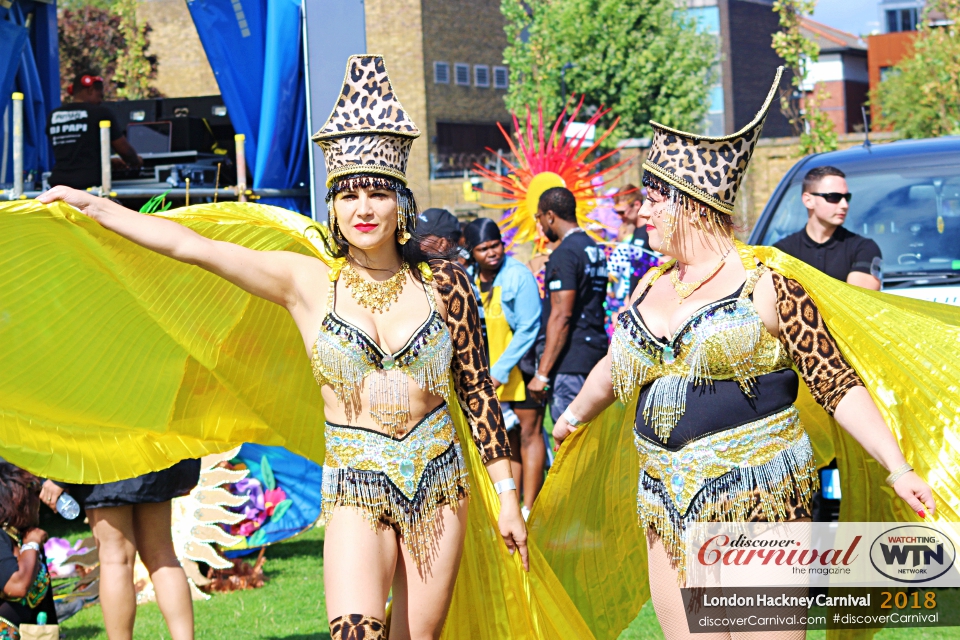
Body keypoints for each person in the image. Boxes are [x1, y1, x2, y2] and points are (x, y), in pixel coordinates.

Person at [36, 55, 526, 640]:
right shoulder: (308, 282)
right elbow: (194, 248)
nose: (363, 209)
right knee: (354, 632)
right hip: (354, 487)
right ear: (334, 207)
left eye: (377, 194)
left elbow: (476, 392)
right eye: (349, 196)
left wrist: (505, 495)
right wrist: (99, 208)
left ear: (402, 203)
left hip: (440, 486)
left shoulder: (443, 283)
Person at [549, 68, 934, 639]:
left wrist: (897, 467)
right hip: (666, 502)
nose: (643, 213)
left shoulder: (766, 283)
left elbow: (834, 379)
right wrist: (573, 417)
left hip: (761, 500)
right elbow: (619, 363)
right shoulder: (651, 283)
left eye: (654, 201)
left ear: (694, 205)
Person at [39, 464, 199, 640]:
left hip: (105, 463)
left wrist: (59, 478)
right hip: (148, 456)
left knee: (115, 560)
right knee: (162, 556)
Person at [463, 218, 544, 516]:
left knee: (529, 434)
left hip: (518, 368)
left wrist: (500, 371)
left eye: (495, 245)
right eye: (483, 249)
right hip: (487, 371)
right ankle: (512, 504)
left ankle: (531, 508)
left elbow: (528, 327)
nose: (492, 253)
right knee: (504, 440)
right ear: (472, 251)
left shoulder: (518, 276)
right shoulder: (468, 276)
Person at [525, 187, 609, 423]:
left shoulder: (564, 253)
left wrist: (542, 374)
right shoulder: (593, 248)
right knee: (594, 446)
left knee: (570, 444)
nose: (540, 224)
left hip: (570, 364)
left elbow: (561, 317)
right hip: (595, 357)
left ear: (550, 215)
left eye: (539, 217)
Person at [774, 166, 882, 290]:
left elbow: (858, 304)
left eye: (847, 198)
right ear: (808, 200)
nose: (844, 205)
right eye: (833, 197)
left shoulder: (863, 248)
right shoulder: (782, 252)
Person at [47, 73, 141, 190]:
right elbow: (125, 151)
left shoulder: (54, 115)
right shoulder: (100, 113)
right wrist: (136, 161)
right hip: (89, 186)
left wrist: (108, 162)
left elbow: (73, 153)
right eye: (100, 96)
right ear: (90, 90)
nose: (100, 101)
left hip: (59, 185)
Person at [0, 464, 58, 638]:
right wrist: (31, 544)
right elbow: (17, 586)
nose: (39, 498)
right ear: (17, 498)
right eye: (33, 492)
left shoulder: (21, 534)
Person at [607, 184, 659, 326]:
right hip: (633, 305)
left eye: (622, 212)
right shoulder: (634, 232)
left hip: (648, 307)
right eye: (616, 212)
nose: (619, 217)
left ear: (637, 204)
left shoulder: (650, 231)